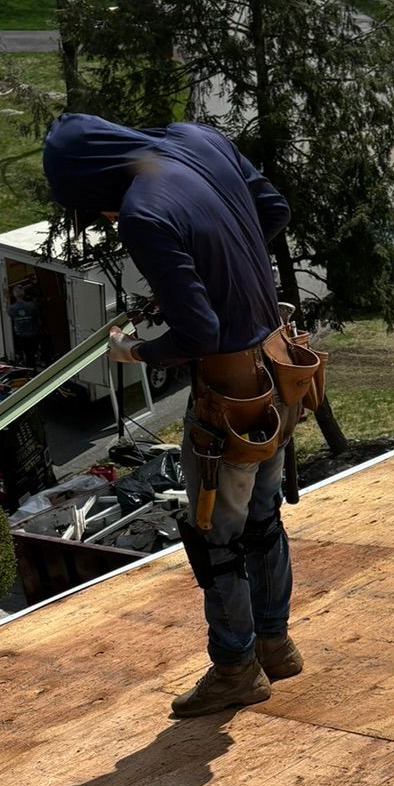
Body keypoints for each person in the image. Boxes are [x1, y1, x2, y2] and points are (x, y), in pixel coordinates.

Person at [42, 111, 317, 719]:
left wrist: (135, 350)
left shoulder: (143, 212)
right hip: (277, 367)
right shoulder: (197, 138)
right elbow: (273, 211)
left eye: (95, 208)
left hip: (230, 392)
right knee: (263, 516)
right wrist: (222, 272)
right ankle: (277, 645)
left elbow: (199, 330)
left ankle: (236, 669)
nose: (107, 220)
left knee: (214, 534)